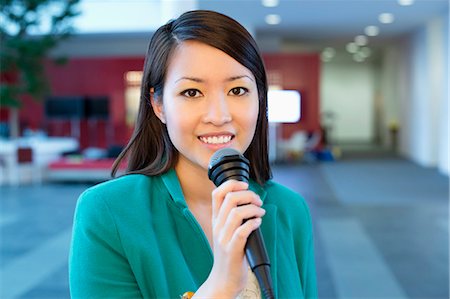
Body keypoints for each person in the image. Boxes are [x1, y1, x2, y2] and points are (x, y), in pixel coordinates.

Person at [69, 10, 317, 299]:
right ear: (158, 104)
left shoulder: (289, 209)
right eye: (192, 93)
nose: (219, 115)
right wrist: (221, 285)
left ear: (260, 99)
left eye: (238, 90)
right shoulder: (107, 212)